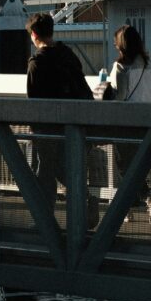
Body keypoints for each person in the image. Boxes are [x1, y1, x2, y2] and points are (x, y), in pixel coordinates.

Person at [25, 12, 96, 223]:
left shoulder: (37, 62)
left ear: (34, 34)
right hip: (74, 125)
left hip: (48, 129)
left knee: (45, 172)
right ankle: (83, 206)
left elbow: (34, 100)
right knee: (68, 169)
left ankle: (44, 220)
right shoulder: (68, 55)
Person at [109, 24, 151, 224]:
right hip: (149, 126)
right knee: (136, 167)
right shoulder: (150, 67)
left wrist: (106, 92)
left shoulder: (120, 67)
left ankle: (145, 199)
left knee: (125, 167)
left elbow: (120, 98)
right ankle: (130, 207)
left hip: (127, 126)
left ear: (120, 46)